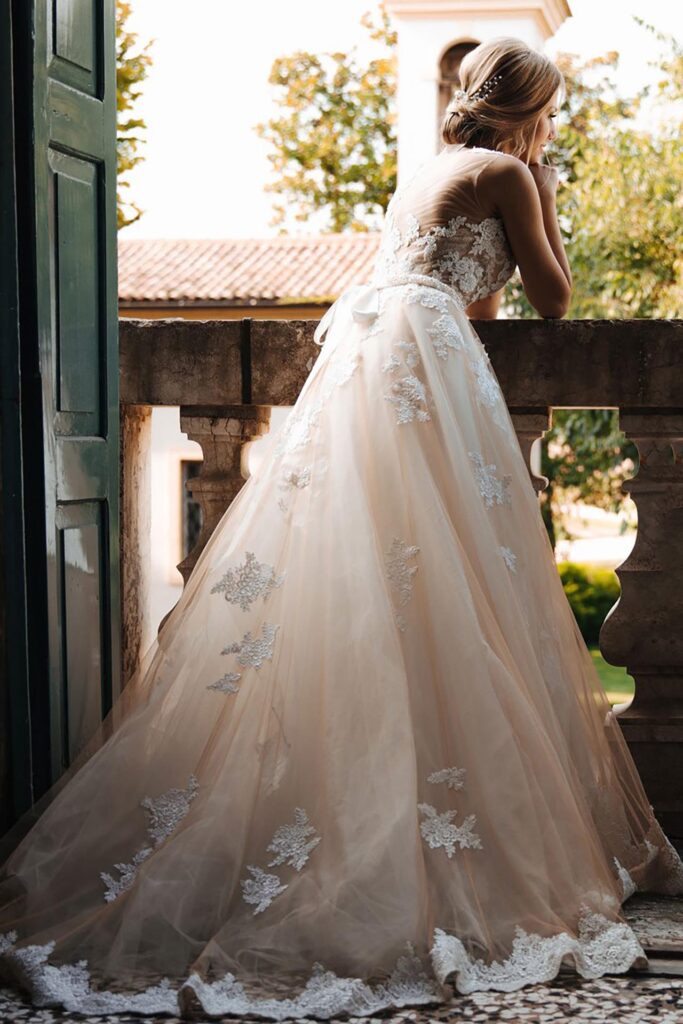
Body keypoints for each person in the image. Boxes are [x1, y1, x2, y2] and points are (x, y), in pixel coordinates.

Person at [1, 35, 681, 1021]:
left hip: (378, 358)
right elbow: (550, 297)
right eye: (552, 112)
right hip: (429, 362)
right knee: (446, 587)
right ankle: (417, 851)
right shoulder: (504, 170)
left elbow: (472, 287)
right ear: (532, 108)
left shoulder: (433, 170)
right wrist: (543, 183)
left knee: (374, 580)